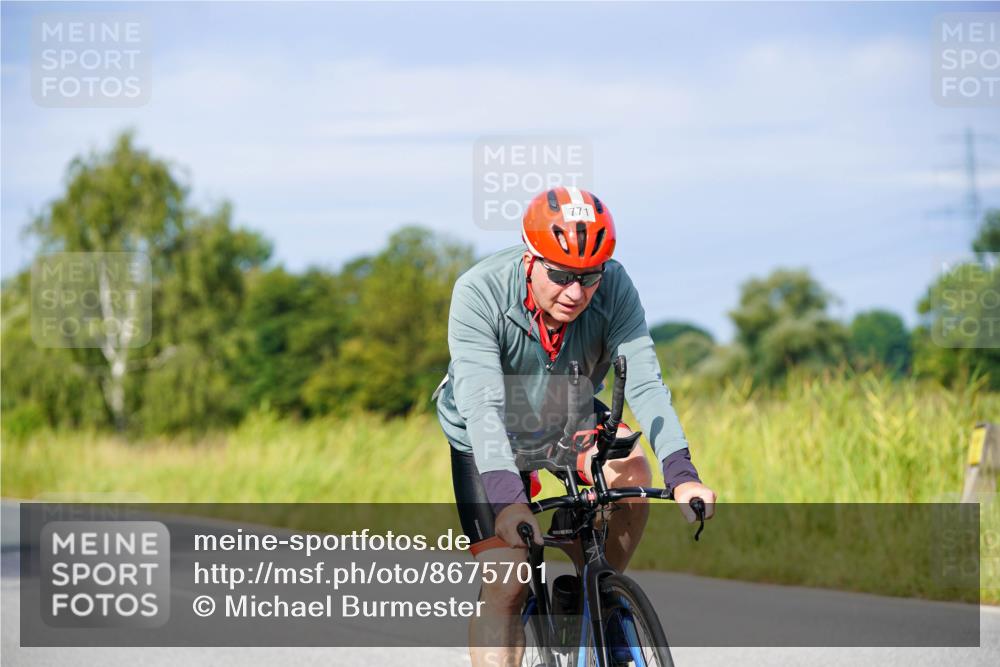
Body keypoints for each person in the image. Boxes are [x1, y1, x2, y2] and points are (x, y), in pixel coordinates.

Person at [434, 186, 716, 666]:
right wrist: (508, 502)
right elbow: (483, 406)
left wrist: (682, 473)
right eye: (561, 275)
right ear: (530, 259)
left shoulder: (615, 286)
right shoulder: (478, 291)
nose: (575, 293)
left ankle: (596, 602)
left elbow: (645, 382)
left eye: (588, 277)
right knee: (508, 580)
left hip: (568, 410)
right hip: (490, 427)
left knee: (631, 471)